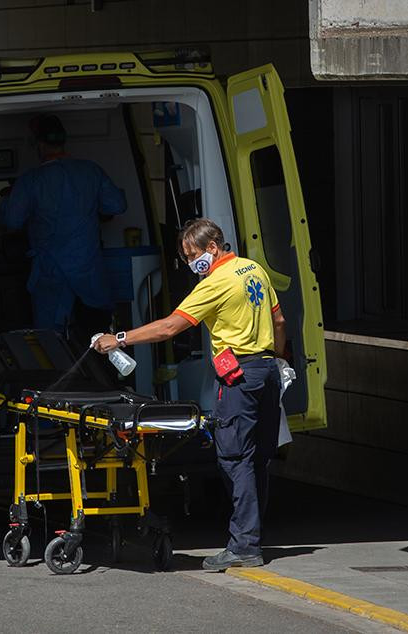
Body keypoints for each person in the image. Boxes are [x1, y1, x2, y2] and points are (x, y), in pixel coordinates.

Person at [92, 218, 286, 570]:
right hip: (268, 372)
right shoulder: (253, 269)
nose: (190, 263)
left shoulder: (215, 284)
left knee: (234, 459)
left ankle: (244, 546)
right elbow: (280, 322)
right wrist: (279, 361)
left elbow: (169, 327)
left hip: (239, 377)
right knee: (257, 459)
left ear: (212, 247)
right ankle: (252, 537)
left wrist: (118, 339)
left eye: (192, 254)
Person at [0, 114, 127, 340]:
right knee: (99, 340)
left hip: (52, 275)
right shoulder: (90, 171)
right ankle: (102, 376)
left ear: (38, 144)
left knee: (52, 344)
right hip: (89, 273)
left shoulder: (31, 181)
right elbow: (116, 205)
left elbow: (12, 221)